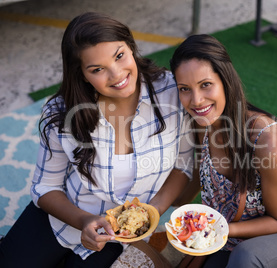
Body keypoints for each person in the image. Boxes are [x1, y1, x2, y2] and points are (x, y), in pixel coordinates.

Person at [0, 12, 193, 267]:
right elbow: (44, 187)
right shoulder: (61, 113)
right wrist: (84, 221)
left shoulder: (172, 92)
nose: (117, 75)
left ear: (131, 47)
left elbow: (184, 164)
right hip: (63, 218)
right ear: (81, 74)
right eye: (97, 69)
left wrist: (152, 211)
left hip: (118, 238)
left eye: (120, 55)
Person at [169, 34, 277, 268]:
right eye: (185, 89)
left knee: (246, 257)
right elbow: (199, 169)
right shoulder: (200, 122)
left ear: (225, 80)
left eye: (205, 85)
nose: (196, 100)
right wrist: (173, 210)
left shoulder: (268, 140)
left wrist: (215, 229)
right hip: (231, 238)